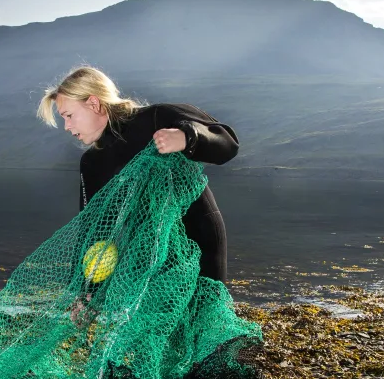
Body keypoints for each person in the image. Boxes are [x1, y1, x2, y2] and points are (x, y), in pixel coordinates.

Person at [38, 66, 238, 283]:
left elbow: (228, 144)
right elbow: (92, 232)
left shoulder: (157, 118)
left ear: (94, 103)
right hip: (145, 254)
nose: (66, 126)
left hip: (198, 240)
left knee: (204, 303)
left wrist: (187, 137)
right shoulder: (91, 163)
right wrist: (84, 287)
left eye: (69, 116)